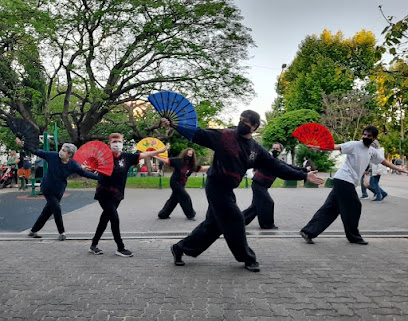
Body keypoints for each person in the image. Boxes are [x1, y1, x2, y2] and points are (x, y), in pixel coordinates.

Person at [162, 110, 324, 272]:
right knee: (236, 219)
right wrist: (175, 125)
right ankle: (247, 258)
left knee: (212, 226)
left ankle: (180, 248)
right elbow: (198, 134)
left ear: (254, 127)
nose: (241, 123)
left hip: (227, 188)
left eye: (246, 122)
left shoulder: (256, 150)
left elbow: (278, 167)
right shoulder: (225, 135)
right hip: (216, 185)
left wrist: (303, 175)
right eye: (240, 119)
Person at [300, 126, 407, 246]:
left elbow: (383, 161)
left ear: (374, 138)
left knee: (330, 208)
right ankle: (354, 236)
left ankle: (308, 232)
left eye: (369, 136)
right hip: (344, 179)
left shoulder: (372, 151)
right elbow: (335, 147)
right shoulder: (354, 145)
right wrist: (317, 147)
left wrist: (399, 169)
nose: (366, 137)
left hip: (346, 181)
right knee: (354, 206)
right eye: (364, 135)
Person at [89, 133, 170, 257]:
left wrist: (161, 150)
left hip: (117, 195)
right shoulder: (103, 157)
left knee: (105, 219)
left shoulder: (127, 157)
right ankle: (120, 247)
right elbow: (90, 166)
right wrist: (87, 168)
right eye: (114, 141)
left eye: (119, 141)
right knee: (114, 219)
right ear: (109, 143)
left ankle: (93, 245)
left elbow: (146, 154)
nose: (117, 144)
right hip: (104, 194)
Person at [16, 138, 99, 241]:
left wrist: (100, 178)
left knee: (47, 212)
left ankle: (33, 231)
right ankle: (61, 232)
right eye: (61, 149)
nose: (61, 151)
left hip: (59, 190)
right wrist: (23, 144)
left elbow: (84, 173)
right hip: (47, 188)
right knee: (56, 208)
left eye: (64, 150)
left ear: (69, 154)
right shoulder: (52, 156)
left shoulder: (72, 164)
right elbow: (36, 151)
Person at [242, 142, 308, 229]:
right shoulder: (267, 158)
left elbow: (289, 168)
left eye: (277, 149)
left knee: (255, 207)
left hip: (263, 185)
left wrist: (304, 170)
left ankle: (237, 221)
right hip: (258, 184)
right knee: (268, 202)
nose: (275, 150)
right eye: (273, 148)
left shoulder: (278, 161)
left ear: (281, 150)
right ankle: (267, 225)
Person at [154, 148, 209, 221]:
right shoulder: (178, 161)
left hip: (182, 184)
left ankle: (163, 214)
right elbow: (166, 160)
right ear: (184, 153)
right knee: (185, 197)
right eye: (187, 153)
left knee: (174, 199)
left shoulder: (191, 165)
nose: (188, 155)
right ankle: (190, 215)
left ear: (192, 156)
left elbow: (201, 168)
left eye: (190, 154)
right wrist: (155, 156)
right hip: (175, 182)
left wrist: (214, 166)